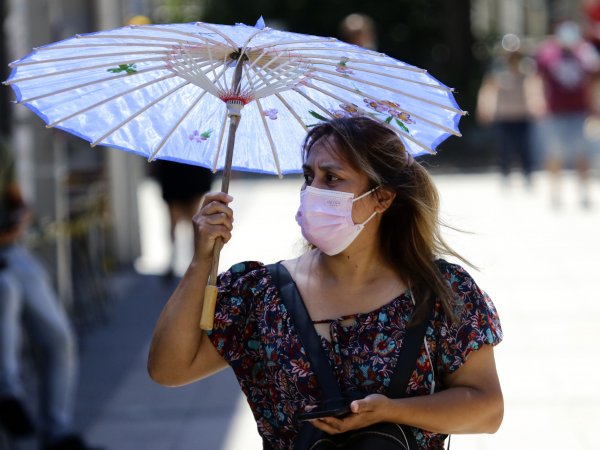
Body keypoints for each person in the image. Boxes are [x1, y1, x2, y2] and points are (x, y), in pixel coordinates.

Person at [147, 117, 504, 449]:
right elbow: (168, 369)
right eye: (308, 176)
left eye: (332, 178)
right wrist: (202, 259)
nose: (313, 190)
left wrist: (391, 411)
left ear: (382, 197)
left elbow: (487, 409)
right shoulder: (261, 295)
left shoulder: (440, 292)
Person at [0, 139, 101, 450]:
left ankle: (56, 430)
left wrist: (19, 216)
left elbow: (15, 198)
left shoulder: (2, 149)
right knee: (6, 291)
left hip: (9, 249)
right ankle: (8, 393)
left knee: (60, 339)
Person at [535, 20, 600, 208]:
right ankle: (555, 191)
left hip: (580, 110)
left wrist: (594, 105)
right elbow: (538, 79)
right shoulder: (547, 53)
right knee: (554, 153)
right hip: (555, 111)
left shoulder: (585, 52)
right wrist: (538, 101)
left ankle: (584, 192)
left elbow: (594, 79)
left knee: (582, 153)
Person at [476, 49, 542, 186]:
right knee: (504, 148)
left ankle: (527, 173)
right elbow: (488, 89)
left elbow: (534, 87)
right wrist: (484, 108)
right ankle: (505, 174)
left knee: (525, 147)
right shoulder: (497, 70)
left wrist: (536, 104)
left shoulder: (526, 69)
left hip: (522, 114)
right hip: (504, 115)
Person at [149, 159, 213, 280]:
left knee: (192, 221)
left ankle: (193, 261)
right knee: (187, 220)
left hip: (185, 169)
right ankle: (183, 260)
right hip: (186, 168)